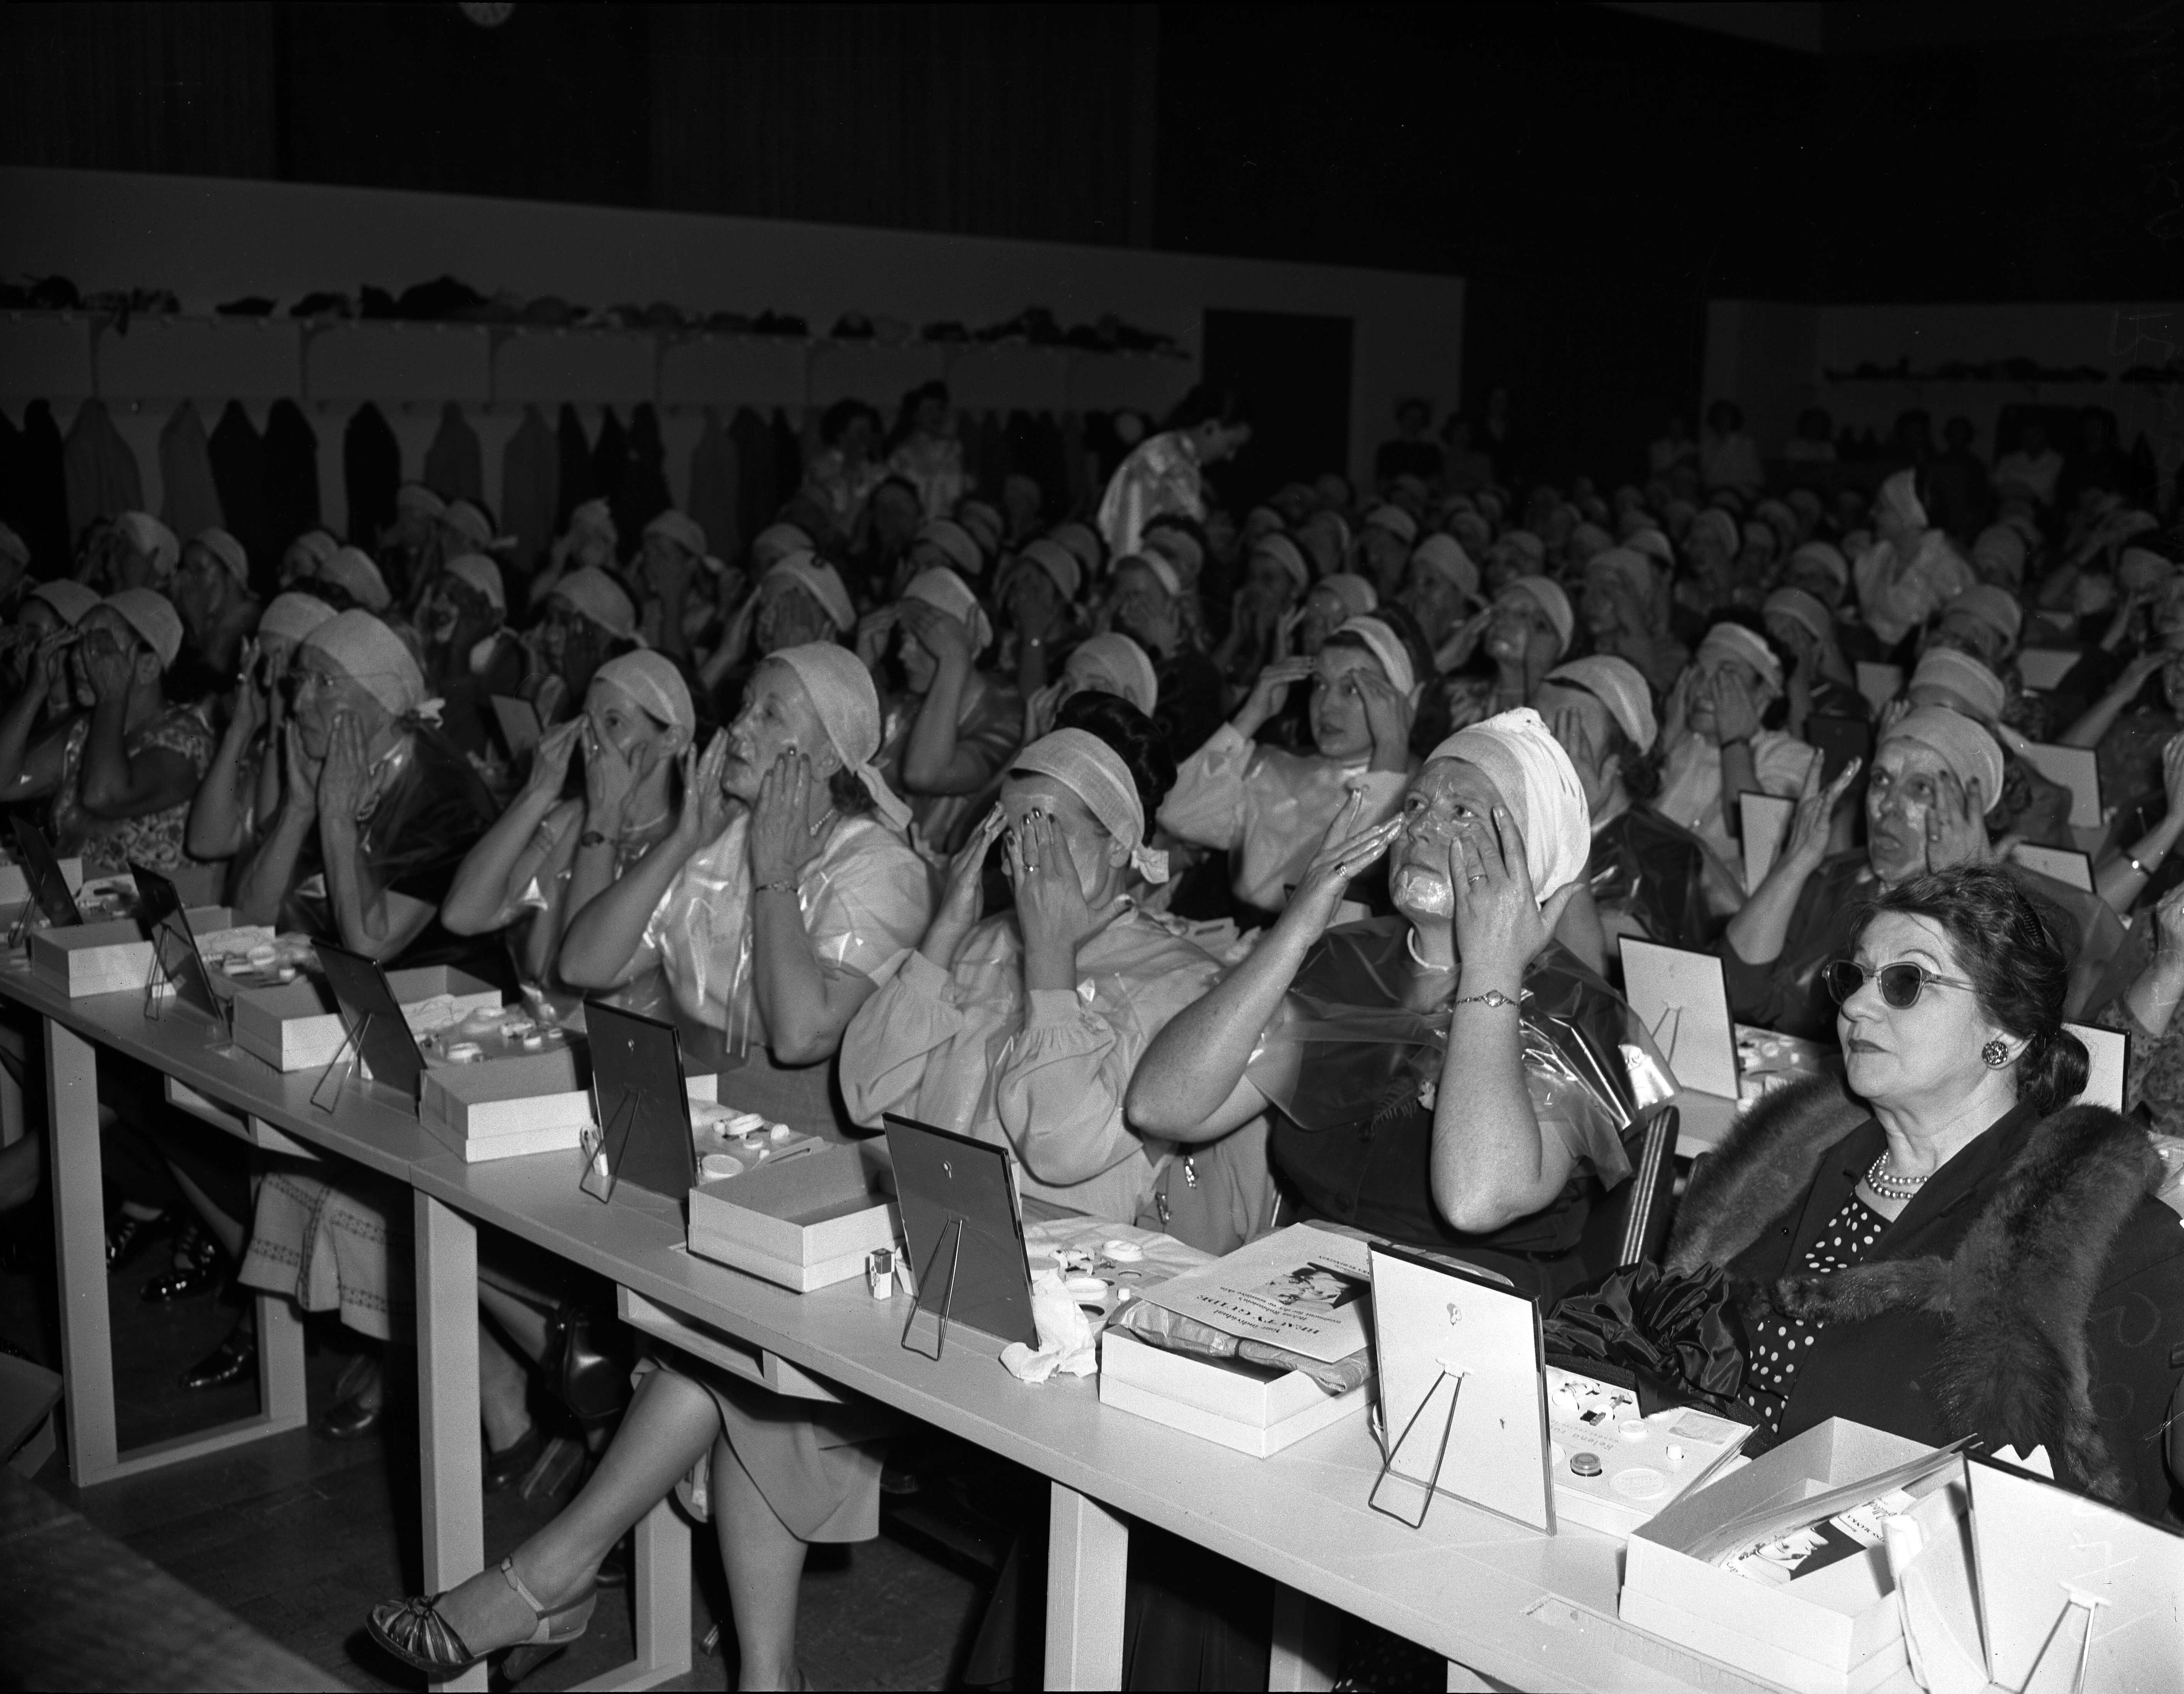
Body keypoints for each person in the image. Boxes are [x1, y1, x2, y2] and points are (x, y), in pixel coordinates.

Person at [1662, 865, 2183, 1518]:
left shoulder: (2098, 1244)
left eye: (1905, 982)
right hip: (1686, 1495)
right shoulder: (1796, 1164)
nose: (1854, 1005)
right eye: (1853, 977)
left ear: (2006, 1035)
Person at [1130, 707, 1664, 1299]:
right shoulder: (1340, 965)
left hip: (1469, 1319)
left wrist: (1490, 965)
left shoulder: (1574, 1009)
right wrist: (1297, 928)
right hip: (1307, 1290)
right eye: (1413, 806)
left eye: (1460, 812)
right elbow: (1163, 1107)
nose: (1421, 828)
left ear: (1529, 855)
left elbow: (1475, 1199)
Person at [841, 696, 1221, 1222]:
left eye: (1042, 828)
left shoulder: (1181, 982)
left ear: (1118, 844)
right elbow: (865, 1094)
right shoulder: (981, 945)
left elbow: (1058, 1147)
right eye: (1008, 830)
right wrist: (946, 932)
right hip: (931, 1226)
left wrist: (1050, 955)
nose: (1020, 851)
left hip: (1072, 1271)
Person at [558, 642, 931, 1138]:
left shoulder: (882, 870)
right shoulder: (723, 835)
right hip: (699, 1117)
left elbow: (802, 1036)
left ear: (825, 758)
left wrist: (774, 870)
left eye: (771, 715)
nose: (738, 728)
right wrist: (682, 842)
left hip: (809, 1148)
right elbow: (583, 964)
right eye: (745, 707)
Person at [1722, 705, 2129, 1037]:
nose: (1888, 806)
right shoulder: (1833, 878)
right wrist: (1795, 864)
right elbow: (1736, 997)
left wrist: (1972, 892)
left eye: (1920, 789)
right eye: (1881, 780)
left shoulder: (2031, 918)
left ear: (1972, 811)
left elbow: (2005, 1042)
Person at [232, 610, 497, 963]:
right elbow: (248, 919)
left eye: (325, 683)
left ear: (385, 699)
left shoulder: (446, 798)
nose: (298, 704)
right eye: (301, 680)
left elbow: (370, 947)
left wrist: (338, 819)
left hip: (430, 1004)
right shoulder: (332, 762)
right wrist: (299, 810)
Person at [440, 652, 695, 1012]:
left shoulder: (684, 844)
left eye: (614, 723)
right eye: (588, 724)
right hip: (537, 1041)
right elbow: (463, 914)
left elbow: (586, 976)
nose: (593, 741)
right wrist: (537, 792)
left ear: (671, 740)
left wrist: (605, 817)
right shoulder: (570, 821)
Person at [1160, 615, 1419, 923]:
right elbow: (1178, 815)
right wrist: (1251, 716)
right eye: (1319, 685)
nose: (1325, 706)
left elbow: (1363, 877)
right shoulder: (1274, 765)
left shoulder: (1420, 791)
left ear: (1395, 703)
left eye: (1351, 690)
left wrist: (1392, 748)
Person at [0, 589, 212, 874]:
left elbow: (104, 795)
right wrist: (35, 690)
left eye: (99, 648)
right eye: (79, 643)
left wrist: (113, 698)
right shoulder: (85, 729)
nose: (78, 658)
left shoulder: (185, 737)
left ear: (147, 666)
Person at [1536, 655, 1708, 956]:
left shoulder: (1665, 854)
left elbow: (1587, 973)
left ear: (1618, 760)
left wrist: (1573, 826)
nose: (1542, 750)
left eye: (1571, 735)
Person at [1653, 616, 1817, 910]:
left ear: (1763, 692)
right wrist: (1663, 741)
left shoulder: (1791, 756)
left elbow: (1755, 839)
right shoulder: (1675, 744)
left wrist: (1734, 743)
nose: (1703, 690)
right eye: (1698, 674)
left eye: (1725, 677)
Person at [185, 591, 339, 868]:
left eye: (286, 669)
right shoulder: (262, 747)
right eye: (265, 665)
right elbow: (205, 841)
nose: (269, 681)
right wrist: (240, 731)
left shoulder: (324, 753)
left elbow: (267, 844)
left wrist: (277, 730)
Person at [1095, 384, 1251, 560]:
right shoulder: (1170, 462)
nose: (1230, 456)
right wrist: (1205, 538)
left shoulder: (1172, 454)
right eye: (1231, 445)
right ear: (1211, 427)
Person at [1101, 550, 1225, 757]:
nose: (1130, 606)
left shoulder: (1197, 669)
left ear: (1170, 604)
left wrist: (1164, 657)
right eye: (1123, 596)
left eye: (1140, 596)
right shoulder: (1114, 651)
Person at [171, 527, 261, 677]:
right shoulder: (211, 623)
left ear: (230, 571)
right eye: (187, 572)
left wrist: (197, 624)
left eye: (200, 570)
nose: (191, 582)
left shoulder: (253, 623)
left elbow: (217, 680)